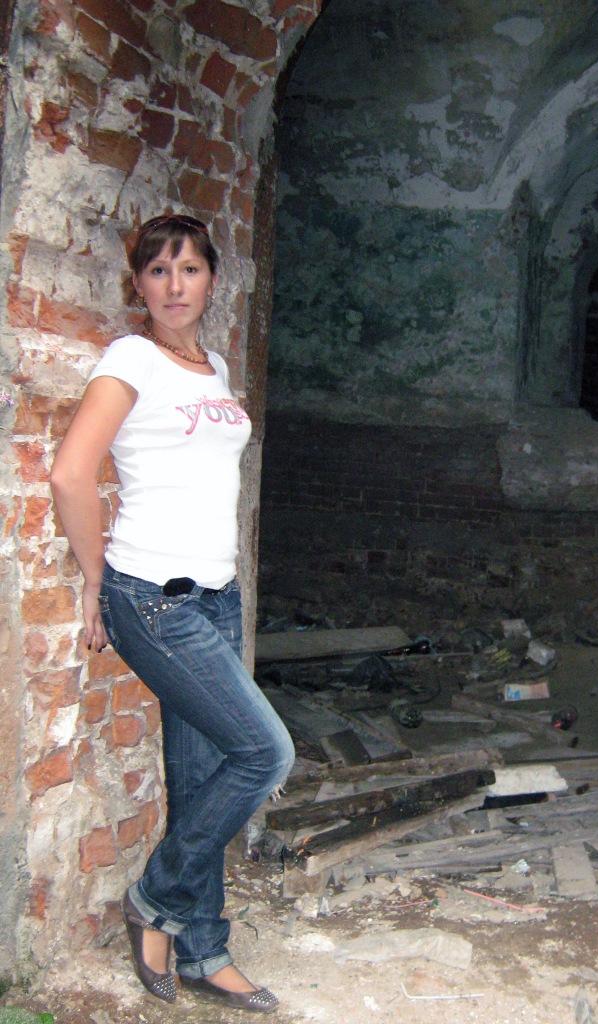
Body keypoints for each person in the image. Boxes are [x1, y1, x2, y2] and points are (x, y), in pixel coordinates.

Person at [50, 213, 294, 1013]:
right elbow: (71, 475)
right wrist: (95, 581)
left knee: (202, 783)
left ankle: (203, 949)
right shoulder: (131, 359)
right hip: (152, 599)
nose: (174, 285)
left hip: (216, 595)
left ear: (212, 278)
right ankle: (153, 899)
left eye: (189, 269)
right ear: (139, 284)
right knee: (265, 753)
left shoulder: (213, 365)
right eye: (157, 271)